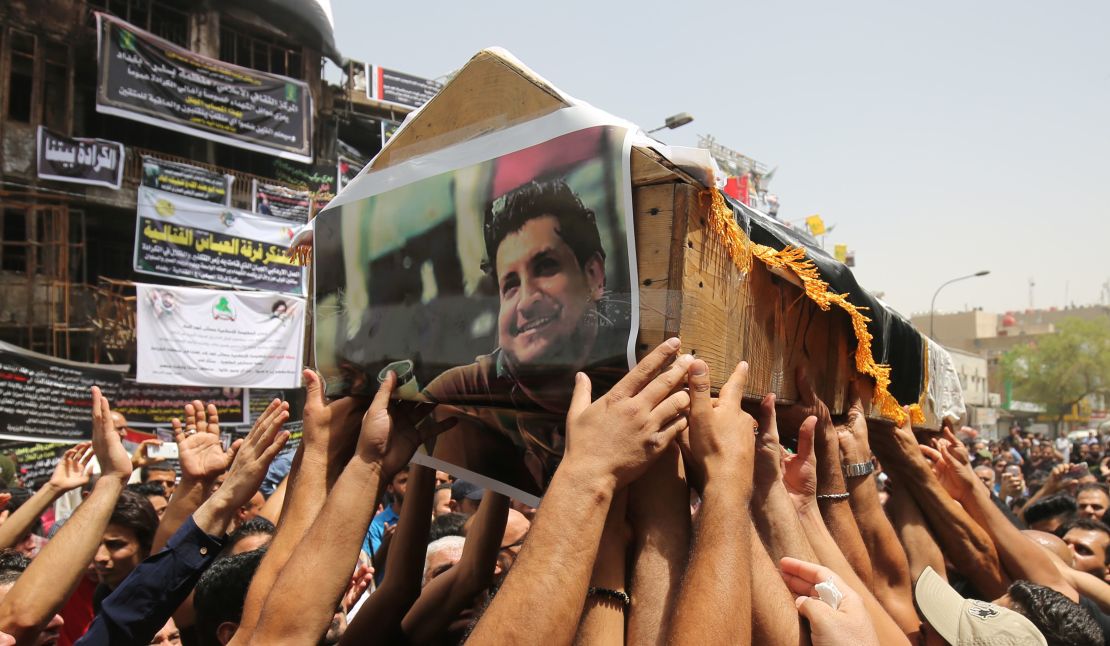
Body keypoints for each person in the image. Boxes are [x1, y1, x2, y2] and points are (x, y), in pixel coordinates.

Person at [422, 178, 631, 495]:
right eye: (511, 285)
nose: (526, 301)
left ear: (593, 275)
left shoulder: (633, 379)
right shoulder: (460, 397)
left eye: (546, 267)